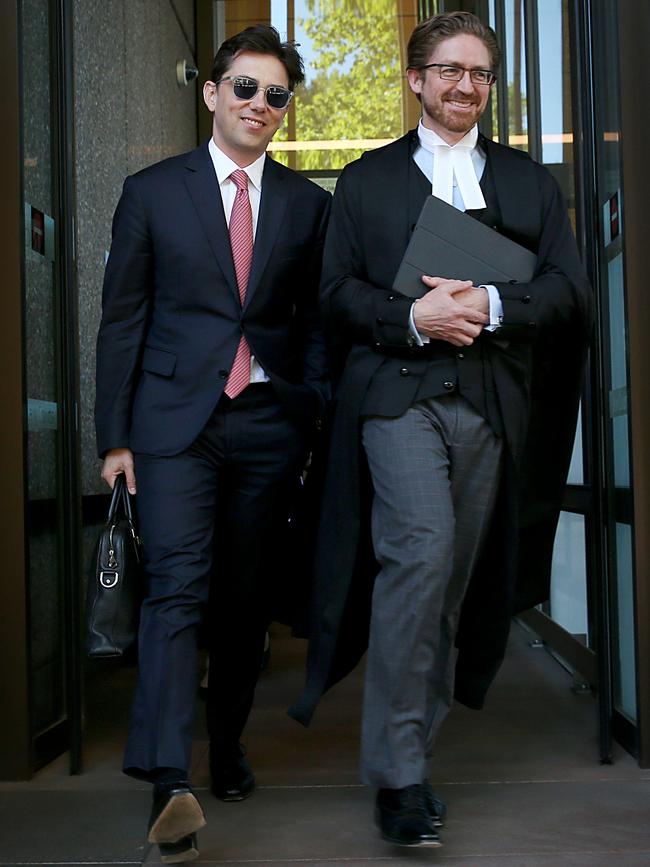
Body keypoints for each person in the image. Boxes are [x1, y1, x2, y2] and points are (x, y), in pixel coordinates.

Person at [290, 10, 592, 849]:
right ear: (416, 80)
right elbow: (335, 294)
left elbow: (570, 293)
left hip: (491, 401)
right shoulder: (364, 180)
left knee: (452, 581)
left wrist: (493, 304)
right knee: (418, 552)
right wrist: (414, 316)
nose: (466, 86)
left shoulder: (530, 184)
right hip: (395, 395)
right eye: (450, 70)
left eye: (480, 74)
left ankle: (411, 755)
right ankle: (398, 776)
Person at [95, 25, 330, 863]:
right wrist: (113, 435)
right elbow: (122, 317)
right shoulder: (152, 191)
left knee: (242, 600)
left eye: (275, 95)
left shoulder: (309, 206)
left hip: (267, 424)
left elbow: (313, 326)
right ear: (211, 93)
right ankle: (168, 779)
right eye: (245, 88)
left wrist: (306, 409)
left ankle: (224, 744)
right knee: (177, 591)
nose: (259, 106)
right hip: (170, 427)